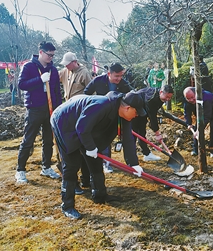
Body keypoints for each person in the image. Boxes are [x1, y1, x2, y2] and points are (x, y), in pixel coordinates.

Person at [50, 91, 146, 219]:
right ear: (127, 108)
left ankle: (100, 195)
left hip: (84, 127)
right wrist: (90, 147)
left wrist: (134, 164)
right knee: (72, 164)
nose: (137, 116)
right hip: (64, 122)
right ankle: (67, 206)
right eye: (136, 112)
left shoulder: (124, 116)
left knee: (95, 159)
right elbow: (82, 128)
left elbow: (128, 139)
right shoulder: (102, 105)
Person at [15, 41, 62, 183]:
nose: (51, 58)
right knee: (28, 140)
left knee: (48, 140)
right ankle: (20, 170)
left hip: (50, 108)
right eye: (49, 55)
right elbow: (21, 85)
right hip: (34, 108)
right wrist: (39, 80)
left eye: (53, 55)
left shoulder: (53, 69)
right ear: (41, 52)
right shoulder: (28, 66)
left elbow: (56, 91)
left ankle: (46, 167)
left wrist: (58, 109)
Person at [84, 62, 133, 174]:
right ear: (109, 73)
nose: (119, 78)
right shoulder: (98, 81)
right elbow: (86, 93)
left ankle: (131, 163)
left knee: (118, 137)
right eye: (117, 76)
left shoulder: (123, 84)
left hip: (116, 116)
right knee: (102, 139)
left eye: (121, 76)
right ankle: (106, 162)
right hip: (100, 116)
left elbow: (131, 95)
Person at [59, 51, 93, 194]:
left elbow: (92, 91)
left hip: (80, 112)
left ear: (74, 62)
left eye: (68, 64)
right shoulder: (66, 71)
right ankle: (77, 178)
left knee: (81, 146)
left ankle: (86, 178)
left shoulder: (84, 73)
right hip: (68, 111)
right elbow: (55, 75)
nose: (66, 66)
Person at [132, 85, 174, 161]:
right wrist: (157, 134)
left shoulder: (159, 97)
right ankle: (132, 158)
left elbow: (152, 114)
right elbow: (152, 116)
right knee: (133, 135)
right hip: (132, 112)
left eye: (170, 97)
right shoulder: (152, 99)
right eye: (167, 97)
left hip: (142, 112)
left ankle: (147, 154)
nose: (168, 99)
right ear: (161, 92)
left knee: (142, 133)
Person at [183, 87, 213, 158]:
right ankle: (196, 150)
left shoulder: (206, 97)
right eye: (188, 98)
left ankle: (212, 150)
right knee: (196, 128)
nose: (191, 100)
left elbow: (207, 116)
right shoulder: (188, 99)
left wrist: (199, 129)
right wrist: (189, 123)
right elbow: (187, 113)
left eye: (192, 97)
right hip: (200, 111)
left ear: (196, 93)